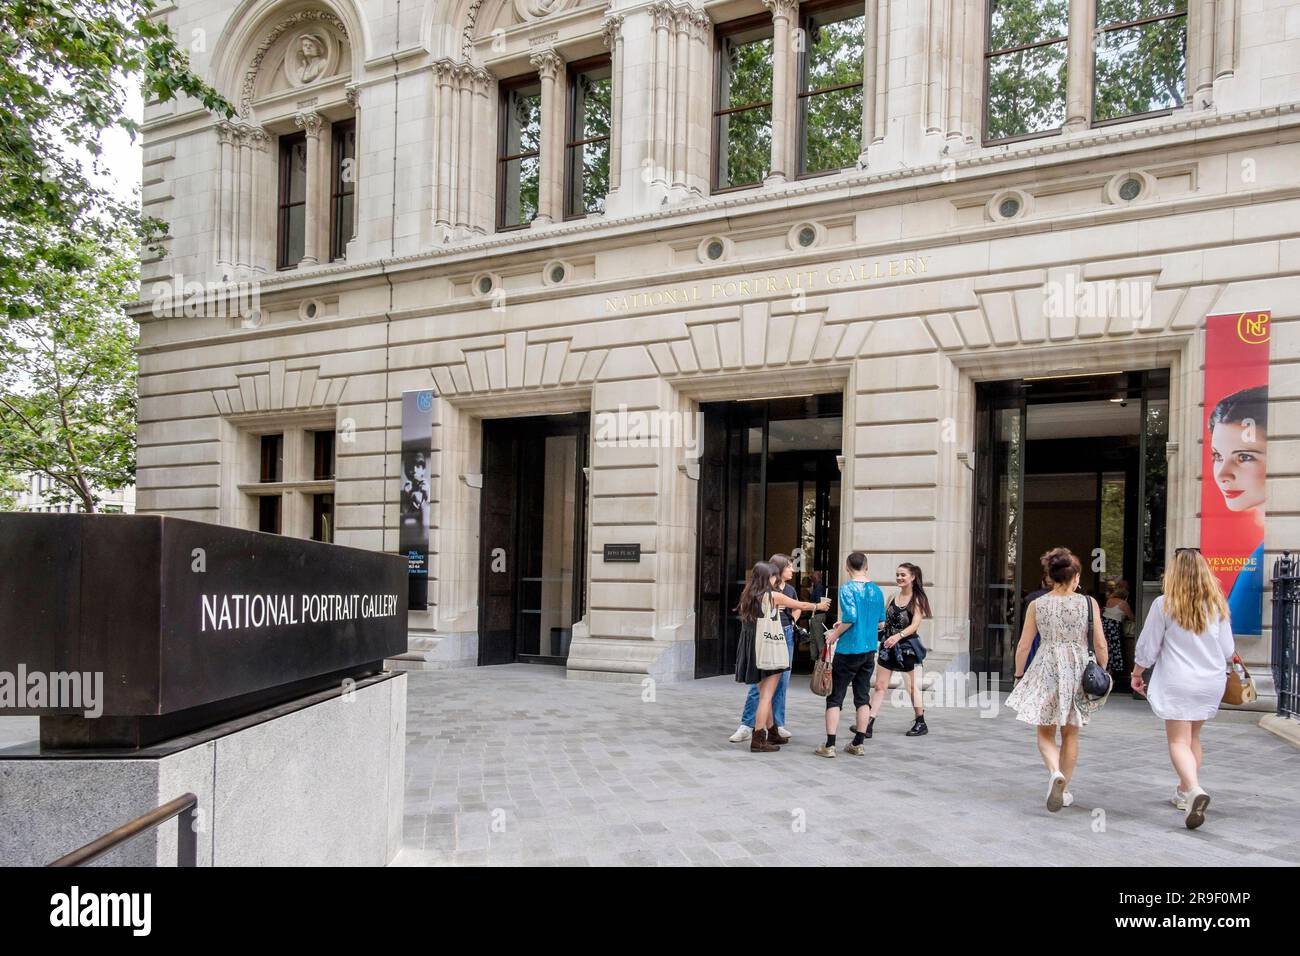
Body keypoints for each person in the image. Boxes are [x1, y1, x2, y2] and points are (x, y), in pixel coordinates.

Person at [1131, 548, 1237, 830]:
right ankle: (1183, 791)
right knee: (1194, 737)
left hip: (1178, 680)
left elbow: (1148, 646)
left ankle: (1193, 789)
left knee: (1178, 740)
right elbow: (1228, 649)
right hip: (1210, 681)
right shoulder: (1217, 605)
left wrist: (1138, 672)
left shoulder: (1164, 605)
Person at [1006, 547, 1107, 812]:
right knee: (1071, 732)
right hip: (1078, 668)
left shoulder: (1037, 604)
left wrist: (1019, 675)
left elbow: (1024, 645)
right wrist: (1101, 671)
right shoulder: (1088, 603)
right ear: (1075, 577)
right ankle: (1066, 786)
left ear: (1049, 576)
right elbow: (1100, 643)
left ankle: (1054, 773)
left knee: (1045, 731)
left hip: (1046, 665)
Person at [734, 561, 830, 753]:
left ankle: (773, 731)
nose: (775, 578)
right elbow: (799, 605)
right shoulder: (772, 596)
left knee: (763, 693)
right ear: (767, 578)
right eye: (773, 576)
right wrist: (818, 605)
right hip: (769, 649)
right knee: (767, 695)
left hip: (753, 649)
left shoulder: (748, 596)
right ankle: (758, 738)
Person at [1208, 386, 1268, 635]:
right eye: (1217, 456)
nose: (1222, 474)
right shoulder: (1260, 555)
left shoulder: (1262, 557)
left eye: (1244, 457)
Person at [814, 552, 886, 758]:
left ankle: (830, 745)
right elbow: (881, 622)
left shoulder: (847, 588)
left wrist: (834, 635)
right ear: (867, 566)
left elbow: (851, 617)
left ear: (847, 567)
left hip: (848, 651)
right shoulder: (876, 591)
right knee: (862, 697)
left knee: (835, 697)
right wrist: (850, 624)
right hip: (869, 650)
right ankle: (858, 743)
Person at [729, 554, 805, 743]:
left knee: (781, 683)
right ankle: (748, 725)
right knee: (761, 685)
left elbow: (797, 608)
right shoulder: (762, 591)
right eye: (789, 566)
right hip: (766, 637)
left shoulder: (790, 589)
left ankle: (775, 726)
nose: (792, 570)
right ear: (777, 571)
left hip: (785, 634)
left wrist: (792, 620)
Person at [863, 563, 932, 737]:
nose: (899, 578)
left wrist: (898, 636)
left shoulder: (918, 600)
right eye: (897, 575)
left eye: (903, 575)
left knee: (911, 687)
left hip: (907, 647)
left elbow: (915, 625)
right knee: (880, 686)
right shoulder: (893, 597)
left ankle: (920, 721)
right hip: (888, 646)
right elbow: (884, 622)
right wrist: (871, 626)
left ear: (913, 577)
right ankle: (868, 723)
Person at [1102, 580, 1135, 683]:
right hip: (1114, 627)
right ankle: (1113, 673)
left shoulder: (1109, 600)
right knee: (1115, 648)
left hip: (1105, 625)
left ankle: (1107, 672)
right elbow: (1132, 617)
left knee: (1108, 648)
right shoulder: (1124, 603)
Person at [807, 570, 828, 664]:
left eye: (813, 577)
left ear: (817, 578)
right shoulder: (816, 587)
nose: (812, 579)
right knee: (813, 639)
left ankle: (820, 664)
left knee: (818, 640)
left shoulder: (819, 588)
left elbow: (818, 603)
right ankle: (814, 663)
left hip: (817, 615)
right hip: (814, 615)